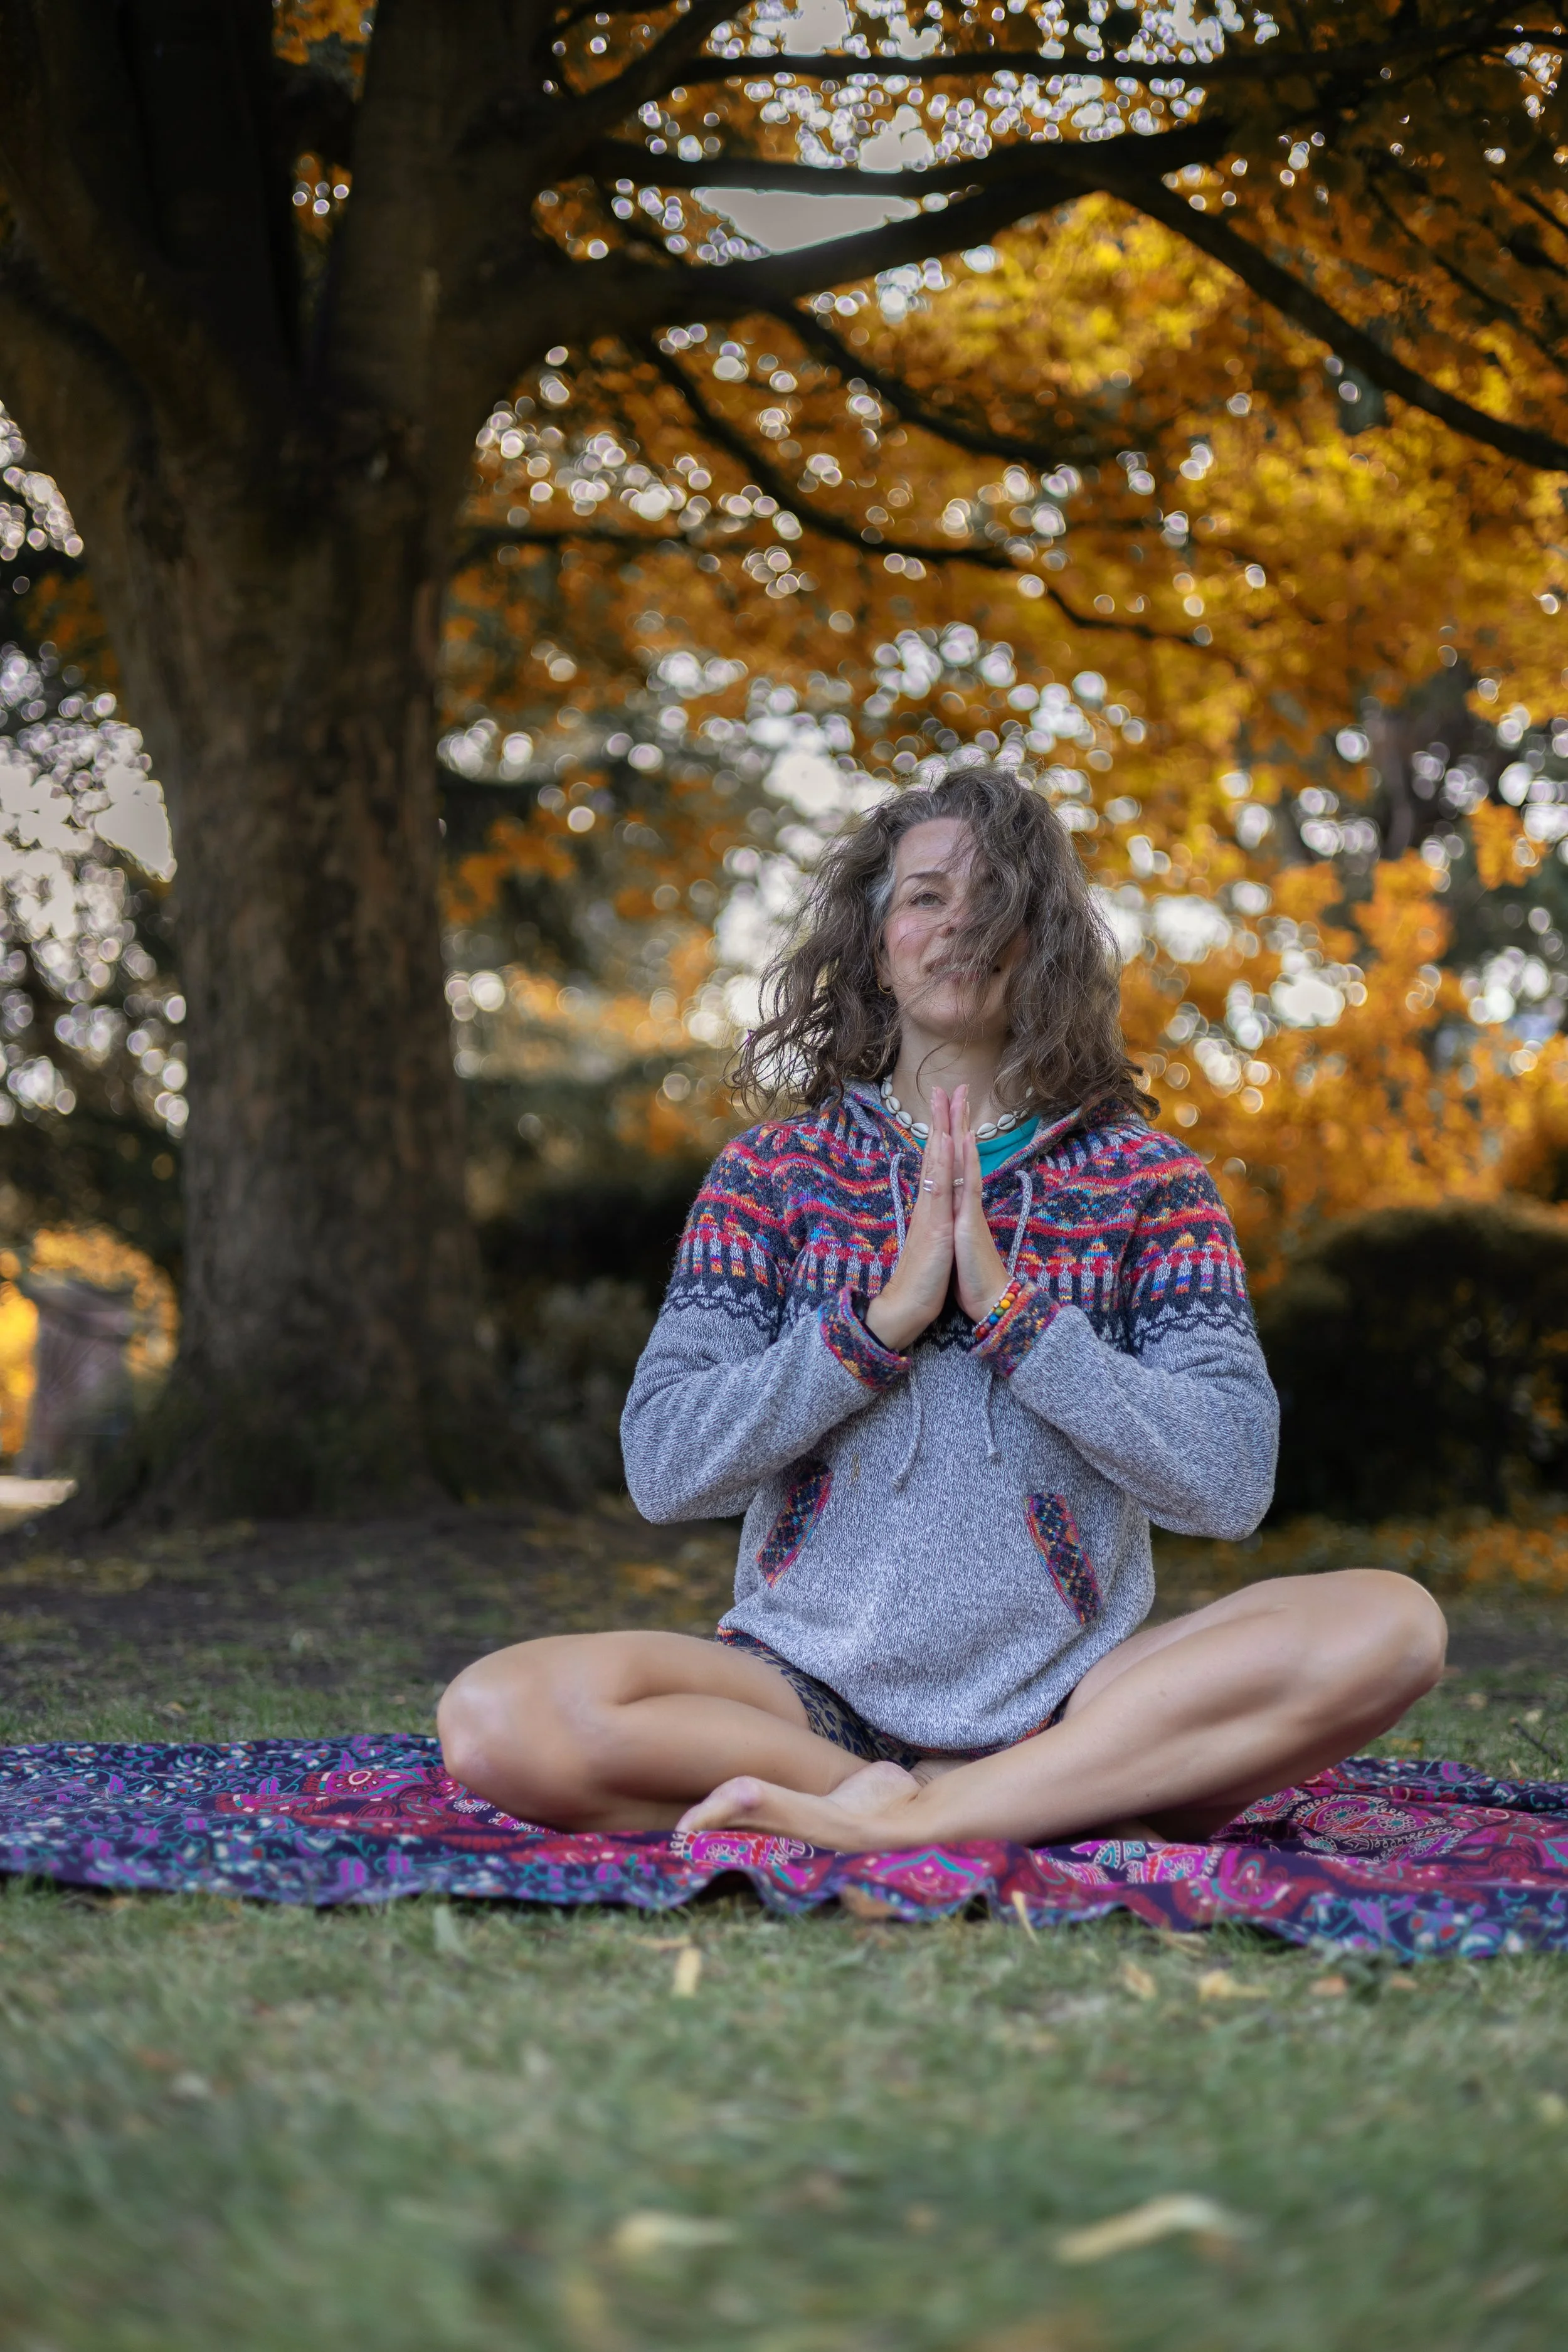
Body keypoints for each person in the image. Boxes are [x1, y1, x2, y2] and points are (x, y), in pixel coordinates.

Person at [438, 766, 1446, 1850]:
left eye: (995, 898)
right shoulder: (772, 1174)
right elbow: (665, 1462)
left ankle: (894, 1823)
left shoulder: (1151, 1182)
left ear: (1040, 941)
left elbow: (1231, 1477)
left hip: (1078, 1703)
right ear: (878, 946)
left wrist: (1018, 1321)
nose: (960, 923)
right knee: (497, 1716)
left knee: (1394, 1625)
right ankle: (932, 1803)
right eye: (926, 896)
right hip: (801, 1694)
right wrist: (871, 1331)